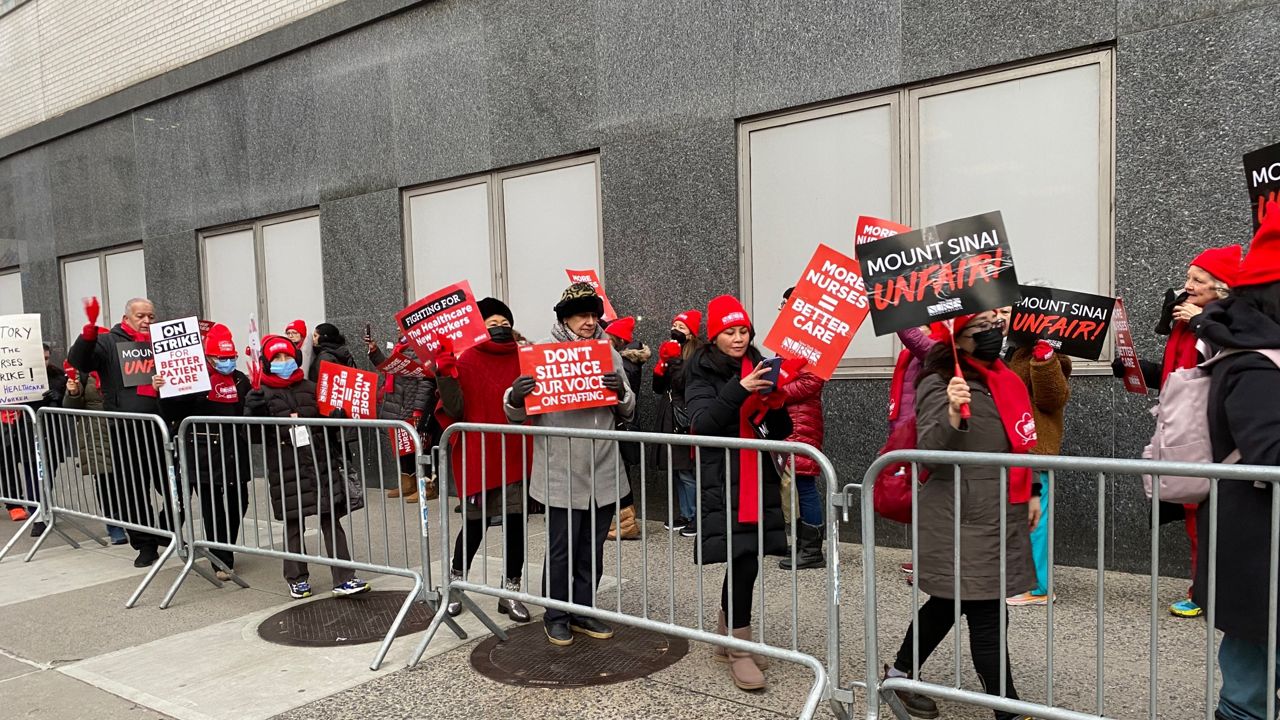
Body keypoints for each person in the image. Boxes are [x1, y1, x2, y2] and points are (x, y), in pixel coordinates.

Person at [884, 311, 1039, 720]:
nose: (994, 332)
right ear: (959, 337)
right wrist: (953, 410)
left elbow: (1017, 442)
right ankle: (1008, 708)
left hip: (997, 509)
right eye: (981, 326)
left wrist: (1034, 489)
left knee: (949, 603)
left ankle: (897, 677)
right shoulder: (940, 380)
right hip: (960, 514)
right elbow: (931, 445)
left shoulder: (1003, 377)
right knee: (988, 611)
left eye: (996, 323)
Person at [1113, 244, 1241, 619]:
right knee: (1194, 517)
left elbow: (1226, 362)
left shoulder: (1220, 324)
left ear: (1221, 289)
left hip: (1212, 436)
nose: (1186, 286)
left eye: (1197, 280)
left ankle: (1211, 593)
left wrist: (1202, 321)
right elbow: (1176, 378)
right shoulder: (1184, 326)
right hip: (1184, 432)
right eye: (1188, 278)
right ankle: (1202, 589)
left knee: (1209, 519)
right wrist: (1134, 369)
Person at [505, 283, 635, 647]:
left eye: (594, 315)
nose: (590, 322)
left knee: (591, 548)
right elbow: (514, 409)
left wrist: (620, 391)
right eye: (582, 315)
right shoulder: (542, 355)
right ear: (565, 319)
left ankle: (582, 608)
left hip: (603, 470)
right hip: (561, 470)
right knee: (562, 546)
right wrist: (516, 395)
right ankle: (556, 613)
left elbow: (628, 407)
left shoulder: (609, 353)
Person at [1192, 200, 1280, 720]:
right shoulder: (1256, 363)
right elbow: (1270, 450)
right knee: (1247, 692)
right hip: (1259, 553)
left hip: (1259, 551)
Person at [684, 295, 793, 691]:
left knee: (749, 555)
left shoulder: (759, 365)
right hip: (723, 475)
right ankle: (738, 646)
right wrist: (739, 388)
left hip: (756, 472)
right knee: (743, 556)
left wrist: (776, 403)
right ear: (715, 336)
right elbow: (703, 424)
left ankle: (729, 630)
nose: (738, 338)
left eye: (743, 330)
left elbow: (780, 431)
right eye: (729, 331)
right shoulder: (701, 370)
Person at [244, 334, 370, 599]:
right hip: (286, 468)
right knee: (293, 524)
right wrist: (252, 413)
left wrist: (337, 417)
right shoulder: (260, 394)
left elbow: (328, 422)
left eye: (287, 356)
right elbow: (253, 436)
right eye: (277, 358)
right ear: (267, 362)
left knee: (330, 520)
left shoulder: (312, 387)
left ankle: (345, 577)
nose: (283, 361)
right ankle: (296, 578)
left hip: (320, 463)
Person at [436, 297, 532, 623]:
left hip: (515, 454)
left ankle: (511, 591)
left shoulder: (527, 357)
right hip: (478, 456)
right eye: (491, 324)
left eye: (504, 323)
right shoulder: (466, 360)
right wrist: (445, 374)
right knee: (475, 525)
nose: (499, 328)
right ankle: (455, 583)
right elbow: (454, 410)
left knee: (516, 524)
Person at [68, 297, 176, 568]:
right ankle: (145, 544)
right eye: (141, 316)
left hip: (161, 426)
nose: (147, 321)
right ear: (126, 317)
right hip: (125, 429)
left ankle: (167, 525)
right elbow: (79, 360)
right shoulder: (109, 343)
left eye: (151, 316)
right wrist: (89, 333)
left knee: (174, 485)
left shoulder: (161, 342)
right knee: (132, 490)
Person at [153, 324, 252, 580]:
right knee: (212, 508)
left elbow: (250, 410)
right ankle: (221, 559)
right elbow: (171, 413)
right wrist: (163, 390)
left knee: (239, 503)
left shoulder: (241, 380)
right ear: (208, 357)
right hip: (203, 455)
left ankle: (223, 547)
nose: (227, 363)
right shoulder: (193, 380)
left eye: (231, 358)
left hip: (234, 453)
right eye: (222, 358)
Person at [1004, 336, 1071, 606]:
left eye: (1007, 312)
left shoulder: (1054, 355)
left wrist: (1044, 360)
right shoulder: (1007, 350)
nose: (1001, 318)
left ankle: (1040, 585)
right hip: (1008, 449)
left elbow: (1053, 399)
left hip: (1034, 449)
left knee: (1036, 519)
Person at [776, 287, 827, 571]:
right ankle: (801, 543)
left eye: (788, 303)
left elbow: (811, 383)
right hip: (789, 421)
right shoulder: (789, 341)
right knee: (793, 485)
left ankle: (812, 550)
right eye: (782, 304)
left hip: (801, 422)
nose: (783, 309)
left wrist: (778, 391)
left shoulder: (812, 343)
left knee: (804, 485)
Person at [365, 329, 438, 503]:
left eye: (400, 326)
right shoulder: (401, 348)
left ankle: (427, 486)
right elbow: (389, 368)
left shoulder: (420, 349)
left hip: (412, 404)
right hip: (398, 403)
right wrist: (375, 352)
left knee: (421, 446)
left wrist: (419, 409)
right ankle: (408, 482)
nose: (397, 329)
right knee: (403, 445)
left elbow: (426, 382)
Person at [62, 361, 127, 544]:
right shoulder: (83, 372)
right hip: (96, 433)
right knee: (105, 480)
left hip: (123, 429)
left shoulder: (121, 364)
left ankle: (135, 521)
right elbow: (70, 406)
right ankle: (114, 524)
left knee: (129, 478)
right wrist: (73, 392)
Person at [4, 343, 66, 534]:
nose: (43, 362)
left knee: (48, 474)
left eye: (46, 358)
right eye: (40, 359)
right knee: (33, 472)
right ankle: (37, 514)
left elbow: (69, 401)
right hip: (28, 434)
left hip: (52, 433)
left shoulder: (58, 377)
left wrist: (58, 397)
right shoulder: (18, 379)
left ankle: (45, 507)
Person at [652, 309, 701, 536]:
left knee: (687, 471)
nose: (676, 330)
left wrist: (676, 361)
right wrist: (662, 365)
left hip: (685, 416)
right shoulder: (670, 350)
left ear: (691, 333)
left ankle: (695, 516)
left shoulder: (697, 354)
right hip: (669, 414)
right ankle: (685, 512)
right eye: (674, 326)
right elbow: (657, 388)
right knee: (676, 469)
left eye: (682, 327)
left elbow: (686, 384)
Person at [603, 315, 649, 541]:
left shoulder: (624, 364)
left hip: (620, 425)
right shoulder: (628, 361)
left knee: (621, 475)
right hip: (621, 425)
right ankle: (625, 521)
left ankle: (628, 523)